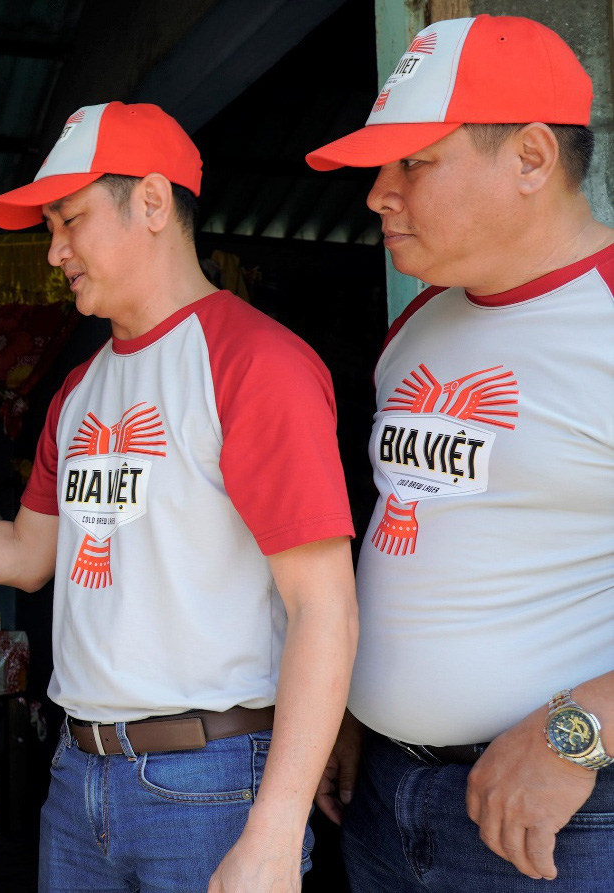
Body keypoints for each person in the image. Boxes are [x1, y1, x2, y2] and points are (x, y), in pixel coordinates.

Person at [0, 101, 358, 892]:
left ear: (150, 202)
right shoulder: (79, 389)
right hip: (78, 774)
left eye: (70, 220)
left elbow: (326, 606)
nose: (54, 252)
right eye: (51, 226)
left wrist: (277, 827)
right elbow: (23, 555)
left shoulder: (253, 362)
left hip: (209, 777)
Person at [306, 15, 614, 891]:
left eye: (415, 162)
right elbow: (420, 532)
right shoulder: (418, 324)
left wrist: (581, 730)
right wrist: (361, 703)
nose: (376, 193)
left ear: (528, 158)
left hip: (562, 809)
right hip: (382, 795)